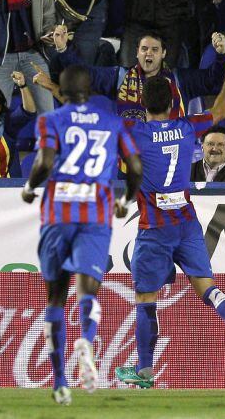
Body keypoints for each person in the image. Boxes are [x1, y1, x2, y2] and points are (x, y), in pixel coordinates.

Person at [114, 67, 225, 390]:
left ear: (143, 103)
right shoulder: (187, 127)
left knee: (146, 298)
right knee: (207, 287)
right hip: (186, 223)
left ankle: (144, 370)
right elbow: (220, 112)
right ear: (174, 103)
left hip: (154, 228)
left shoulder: (135, 132)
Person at [21, 64, 142, 405]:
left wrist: (30, 187)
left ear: (61, 88)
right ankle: (86, 340)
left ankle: (59, 382)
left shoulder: (51, 120)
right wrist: (127, 199)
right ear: (91, 91)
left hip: (58, 214)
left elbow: (44, 162)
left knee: (56, 297)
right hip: (96, 215)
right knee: (88, 289)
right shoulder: (113, 122)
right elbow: (134, 167)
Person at [35, 29, 225, 123]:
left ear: (164, 53)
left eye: (155, 49)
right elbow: (86, 74)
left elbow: (213, 83)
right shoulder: (119, 77)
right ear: (136, 52)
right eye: (144, 49)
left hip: (169, 155)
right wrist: (63, 48)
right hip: (128, 163)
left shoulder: (180, 79)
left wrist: (220, 55)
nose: (149, 53)